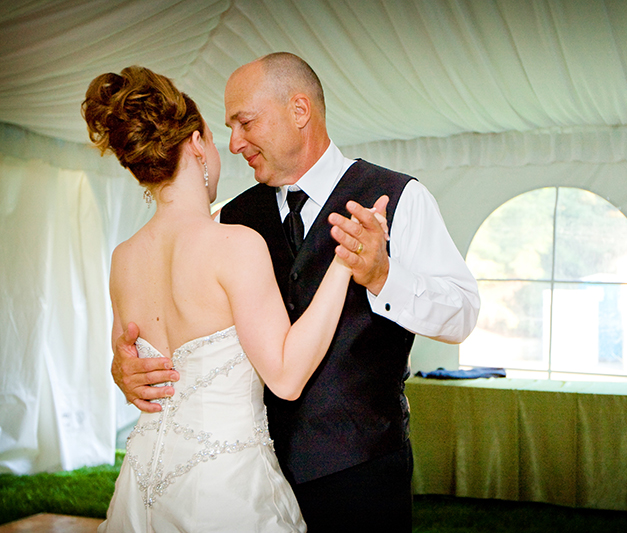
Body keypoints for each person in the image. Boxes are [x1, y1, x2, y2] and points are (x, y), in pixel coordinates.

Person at [113, 53, 480, 531]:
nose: (235, 142)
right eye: (227, 127)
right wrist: (127, 369)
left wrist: (382, 276)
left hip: (361, 471)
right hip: (247, 476)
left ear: (299, 110)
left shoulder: (399, 198)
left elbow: (462, 315)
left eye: (245, 123)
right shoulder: (229, 217)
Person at [85, 65, 360, 532]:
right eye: (216, 138)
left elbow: (129, 365)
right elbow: (287, 377)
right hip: (224, 489)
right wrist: (344, 263)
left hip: (142, 485)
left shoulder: (123, 258)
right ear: (196, 142)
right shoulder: (234, 244)